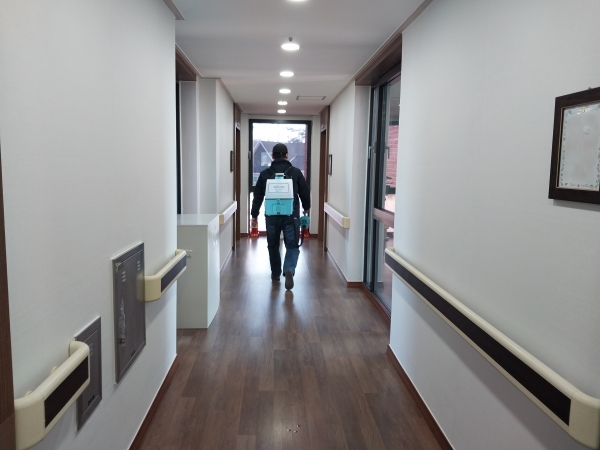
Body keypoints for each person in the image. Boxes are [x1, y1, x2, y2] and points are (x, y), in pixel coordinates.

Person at [251, 143, 310, 290]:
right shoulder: (296, 173)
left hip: (271, 216)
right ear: (286, 155)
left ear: (272, 156)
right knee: (292, 245)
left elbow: (258, 196)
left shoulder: (265, 174)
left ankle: (275, 274)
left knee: (273, 245)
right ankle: (289, 268)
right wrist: (306, 208)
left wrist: (254, 215)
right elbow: (304, 192)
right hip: (291, 215)